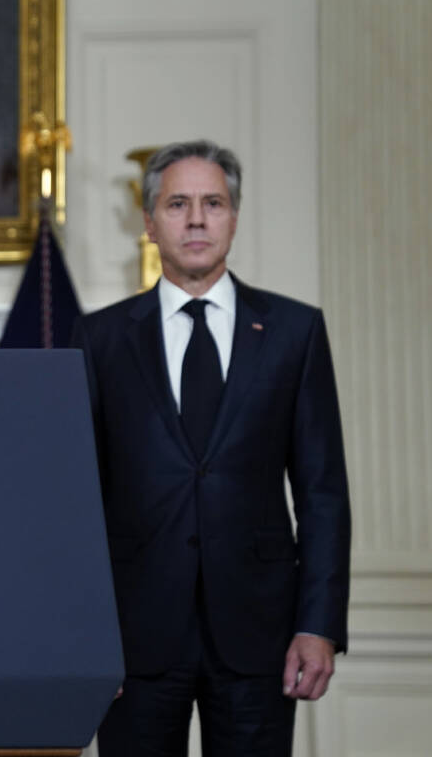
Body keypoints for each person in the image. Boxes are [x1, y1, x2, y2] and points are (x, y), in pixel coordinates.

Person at [72, 140, 351, 756]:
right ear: (149, 222)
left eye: (213, 203)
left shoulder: (294, 332)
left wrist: (318, 626)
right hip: (134, 640)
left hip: (261, 637)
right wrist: (86, 636)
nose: (196, 219)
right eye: (177, 204)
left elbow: (323, 492)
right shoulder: (99, 338)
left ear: (234, 215)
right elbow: (77, 500)